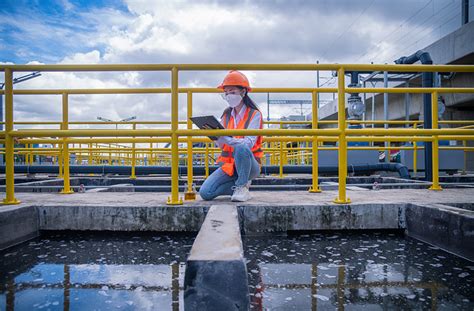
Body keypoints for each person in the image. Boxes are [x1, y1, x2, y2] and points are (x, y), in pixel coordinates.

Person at [199, 70, 263, 202]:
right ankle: (240, 183)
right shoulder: (226, 115)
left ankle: (242, 186)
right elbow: (222, 145)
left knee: (241, 147)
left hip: (250, 165)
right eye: (226, 93)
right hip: (229, 165)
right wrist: (214, 136)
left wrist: (225, 137)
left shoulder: (254, 114)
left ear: (243, 92)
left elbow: (248, 144)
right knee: (206, 192)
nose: (229, 96)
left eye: (232, 92)